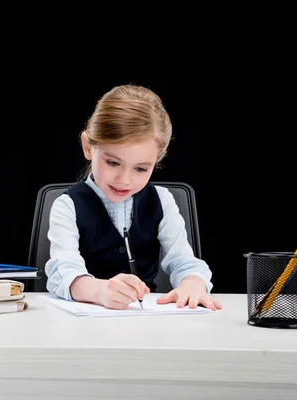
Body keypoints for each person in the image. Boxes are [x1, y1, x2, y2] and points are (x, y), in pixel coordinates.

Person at [44, 84, 222, 311]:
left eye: (140, 169)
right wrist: (99, 290)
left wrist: (193, 284)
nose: (124, 180)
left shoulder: (163, 201)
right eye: (113, 162)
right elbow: (63, 271)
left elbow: (185, 263)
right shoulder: (67, 206)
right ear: (88, 147)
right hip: (83, 324)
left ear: (155, 162)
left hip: (146, 324)